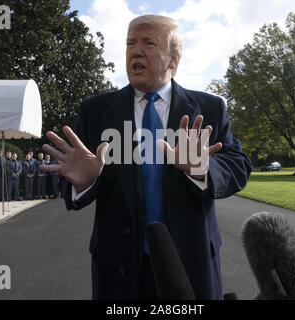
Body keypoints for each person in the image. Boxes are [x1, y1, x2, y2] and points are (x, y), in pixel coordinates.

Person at [41, 14, 253, 300]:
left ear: (173, 60)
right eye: (130, 43)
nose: (136, 51)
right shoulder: (95, 111)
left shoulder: (210, 107)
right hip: (118, 268)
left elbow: (237, 165)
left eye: (148, 43)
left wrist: (202, 169)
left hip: (191, 263)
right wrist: (84, 184)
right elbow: (73, 177)